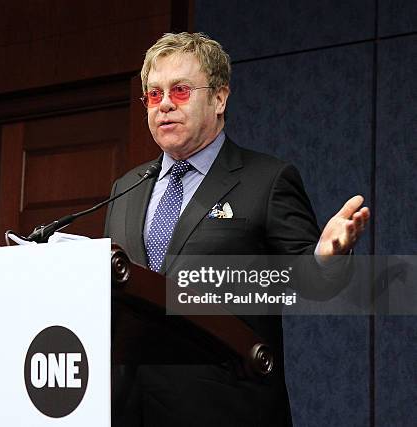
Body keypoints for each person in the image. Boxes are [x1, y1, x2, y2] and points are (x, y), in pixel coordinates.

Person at [104, 32, 370, 426]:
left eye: (179, 91)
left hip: (227, 410)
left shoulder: (267, 180)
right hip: (129, 409)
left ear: (219, 98)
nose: (164, 106)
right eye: (154, 95)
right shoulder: (125, 188)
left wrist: (327, 258)